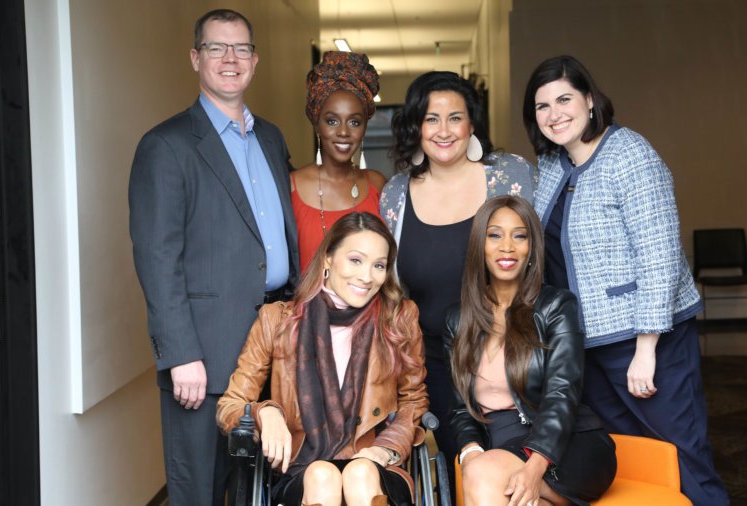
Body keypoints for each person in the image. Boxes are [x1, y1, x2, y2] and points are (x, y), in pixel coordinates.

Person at [523, 55, 728, 505]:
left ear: (590, 100)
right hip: (586, 345)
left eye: (564, 99)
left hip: (645, 342)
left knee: (681, 457)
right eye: (542, 106)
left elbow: (660, 255)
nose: (554, 114)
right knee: (628, 460)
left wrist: (646, 349)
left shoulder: (630, 154)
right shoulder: (553, 165)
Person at [129, 9, 298, 505]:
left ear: (255, 60)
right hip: (203, 360)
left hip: (274, 349)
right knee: (200, 491)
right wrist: (180, 353)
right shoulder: (166, 145)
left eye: (241, 48)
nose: (230, 59)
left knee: (265, 490)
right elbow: (158, 258)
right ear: (194, 58)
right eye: (216, 48)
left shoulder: (271, 138)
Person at [380, 71, 535, 480]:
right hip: (436, 364)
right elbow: (391, 286)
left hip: (508, 354)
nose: (443, 130)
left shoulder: (511, 175)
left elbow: (536, 260)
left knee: (515, 473)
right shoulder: (395, 193)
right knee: (461, 468)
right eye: (431, 119)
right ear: (416, 126)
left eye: (455, 117)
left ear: (472, 123)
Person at [217, 212, 428, 506]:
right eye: (356, 260)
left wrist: (385, 449)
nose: (367, 277)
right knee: (322, 475)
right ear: (328, 258)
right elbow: (229, 405)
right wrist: (265, 413)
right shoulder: (277, 320)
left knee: (359, 473)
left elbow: (413, 401)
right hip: (303, 471)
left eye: (379, 265)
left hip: (375, 464)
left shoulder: (399, 318)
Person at [445, 196, 616, 506]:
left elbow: (562, 394)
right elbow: (460, 408)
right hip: (499, 446)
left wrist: (535, 467)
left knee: (484, 477)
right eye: (495, 234)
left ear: (531, 249)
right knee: (483, 473)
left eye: (519, 235)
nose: (507, 246)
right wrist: (470, 450)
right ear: (479, 247)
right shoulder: (457, 320)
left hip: (566, 446)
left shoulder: (557, 306)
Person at [292, 51, 387, 273]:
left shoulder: (377, 185)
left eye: (354, 122)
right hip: (307, 308)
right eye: (332, 121)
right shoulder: (290, 187)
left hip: (373, 307)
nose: (343, 132)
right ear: (317, 124)